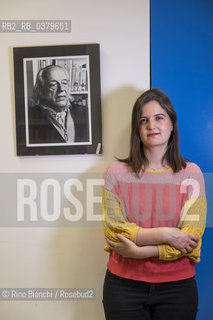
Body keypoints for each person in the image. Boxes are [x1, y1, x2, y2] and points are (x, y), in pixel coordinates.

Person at [101, 88, 207, 320]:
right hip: (123, 288)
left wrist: (139, 251)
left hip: (177, 288)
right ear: (137, 130)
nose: (151, 125)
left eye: (159, 117)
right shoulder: (116, 173)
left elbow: (191, 241)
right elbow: (114, 230)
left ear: (171, 124)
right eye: (143, 120)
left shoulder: (192, 173)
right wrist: (167, 235)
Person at [28, 65, 89, 144]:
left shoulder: (84, 112)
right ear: (40, 90)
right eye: (53, 84)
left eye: (64, 83)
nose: (61, 89)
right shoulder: (30, 116)